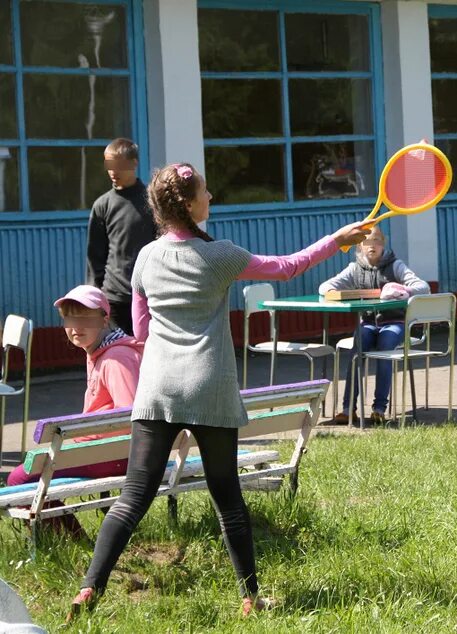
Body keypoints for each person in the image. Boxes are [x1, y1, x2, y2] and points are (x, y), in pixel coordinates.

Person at [66, 163, 369, 621]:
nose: (212, 197)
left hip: (158, 390)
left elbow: (143, 330)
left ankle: (89, 589)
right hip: (209, 387)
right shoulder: (220, 255)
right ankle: (250, 598)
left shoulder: (147, 257)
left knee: (132, 498)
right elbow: (287, 268)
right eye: (206, 192)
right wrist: (337, 241)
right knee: (227, 499)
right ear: (188, 205)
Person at [5, 285, 141, 538]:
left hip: (115, 452)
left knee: (19, 480)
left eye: (85, 318)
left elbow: (131, 417)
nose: (76, 326)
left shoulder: (116, 358)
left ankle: (72, 542)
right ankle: (73, 540)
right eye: (69, 318)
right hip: (105, 450)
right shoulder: (102, 352)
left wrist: (86, 436)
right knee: (26, 474)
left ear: (104, 319)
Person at [319, 225, 430, 425]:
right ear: (359, 245)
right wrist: (336, 293)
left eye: (377, 240)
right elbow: (325, 287)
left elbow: (423, 287)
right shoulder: (355, 268)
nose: (373, 245)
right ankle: (348, 409)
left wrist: (400, 290)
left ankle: (379, 408)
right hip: (369, 323)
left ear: (383, 243)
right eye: (368, 241)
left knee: (386, 344)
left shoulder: (395, 265)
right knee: (359, 344)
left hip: (394, 323)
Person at [86, 138, 158, 335]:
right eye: (109, 165)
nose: (113, 171)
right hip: (114, 300)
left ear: (134, 163)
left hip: (148, 297)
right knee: (118, 358)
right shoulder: (102, 205)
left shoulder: (152, 202)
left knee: (146, 358)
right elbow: (95, 257)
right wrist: (95, 297)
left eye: (118, 165)